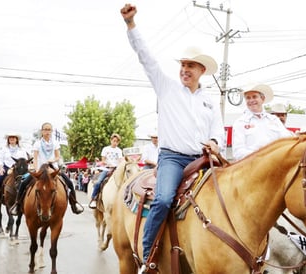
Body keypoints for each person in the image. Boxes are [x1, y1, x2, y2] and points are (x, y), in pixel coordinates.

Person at [120, 4, 225, 271]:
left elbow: (217, 131)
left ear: (202, 70)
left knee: (230, 197)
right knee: (165, 198)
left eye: (191, 66)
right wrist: (131, 25)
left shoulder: (209, 102)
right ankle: (148, 253)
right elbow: (146, 57)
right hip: (173, 159)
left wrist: (214, 143)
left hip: (203, 160)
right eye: (183, 65)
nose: (185, 69)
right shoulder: (167, 88)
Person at [10, 122, 84, 215]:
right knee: (24, 183)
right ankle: (17, 204)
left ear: (51, 131)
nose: (47, 132)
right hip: (40, 168)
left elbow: (57, 156)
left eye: (49, 130)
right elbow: (35, 158)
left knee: (69, 182)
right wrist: (36, 170)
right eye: (45, 129)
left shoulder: (55, 143)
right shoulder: (37, 143)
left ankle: (74, 204)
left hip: (53, 167)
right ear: (42, 131)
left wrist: (52, 160)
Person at [232, 84, 293, 160]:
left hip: (275, 163)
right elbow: (238, 152)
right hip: (251, 166)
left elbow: (287, 140)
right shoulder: (240, 122)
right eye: (248, 98)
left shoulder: (274, 120)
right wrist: (261, 157)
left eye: (254, 97)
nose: (251, 100)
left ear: (262, 99)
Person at [0, 133, 29, 207]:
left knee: (30, 181)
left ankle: (29, 200)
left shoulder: (22, 150)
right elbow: (0, 160)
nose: (11, 139)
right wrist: (1, 168)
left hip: (19, 170)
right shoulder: (4, 149)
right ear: (8, 140)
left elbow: (25, 161)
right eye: (10, 138)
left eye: (13, 137)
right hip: (6, 168)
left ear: (17, 140)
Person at [89, 133, 123, 209]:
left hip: (116, 169)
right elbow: (103, 160)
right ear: (111, 140)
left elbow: (120, 160)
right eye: (114, 141)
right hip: (106, 168)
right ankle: (93, 198)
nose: (115, 143)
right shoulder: (106, 149)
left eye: (117, 141)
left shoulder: (119, 151)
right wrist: (109, 164)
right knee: (98, 182)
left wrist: (120, 165)